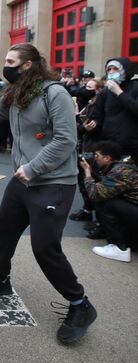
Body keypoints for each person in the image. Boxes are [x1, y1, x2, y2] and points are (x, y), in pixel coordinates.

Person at [0, 43, 96, 345]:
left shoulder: (53, 93)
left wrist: (33, 168)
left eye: (10, 61)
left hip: (53, 182)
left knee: (45, 248)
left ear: (28, 64)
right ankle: (1, 278)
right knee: (3, 228)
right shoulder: (16, 91)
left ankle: (80, 304)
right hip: (23, 180)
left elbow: (66, 140)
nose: (4, 66)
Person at [80, 140, 138, 262]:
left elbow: (95, 194)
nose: (94, 158)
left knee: (105, 203)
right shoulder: (122, 164)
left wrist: (87, 172)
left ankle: (120, 248)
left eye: (97, 156)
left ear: (107, 158)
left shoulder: (120, 171)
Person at [88, 58, 138, 163]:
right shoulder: (105, 92)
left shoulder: (135, 87)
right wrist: (92, 125)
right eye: (109, 69)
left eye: (115, 69)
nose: (111, 72)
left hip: (131, 145)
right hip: (109, 144)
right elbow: (98, 116)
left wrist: (119, 93)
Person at [69, 79, 104, 224]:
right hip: (84, 145)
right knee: (82, 180)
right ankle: (87, 210)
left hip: (93, 147)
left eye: (89, 87)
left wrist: (80, 123)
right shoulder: (87, 104)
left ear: (97, 90)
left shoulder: (99, 106)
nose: (85, 89)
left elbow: (91, 127)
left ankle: (98, 217)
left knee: (91, 178)